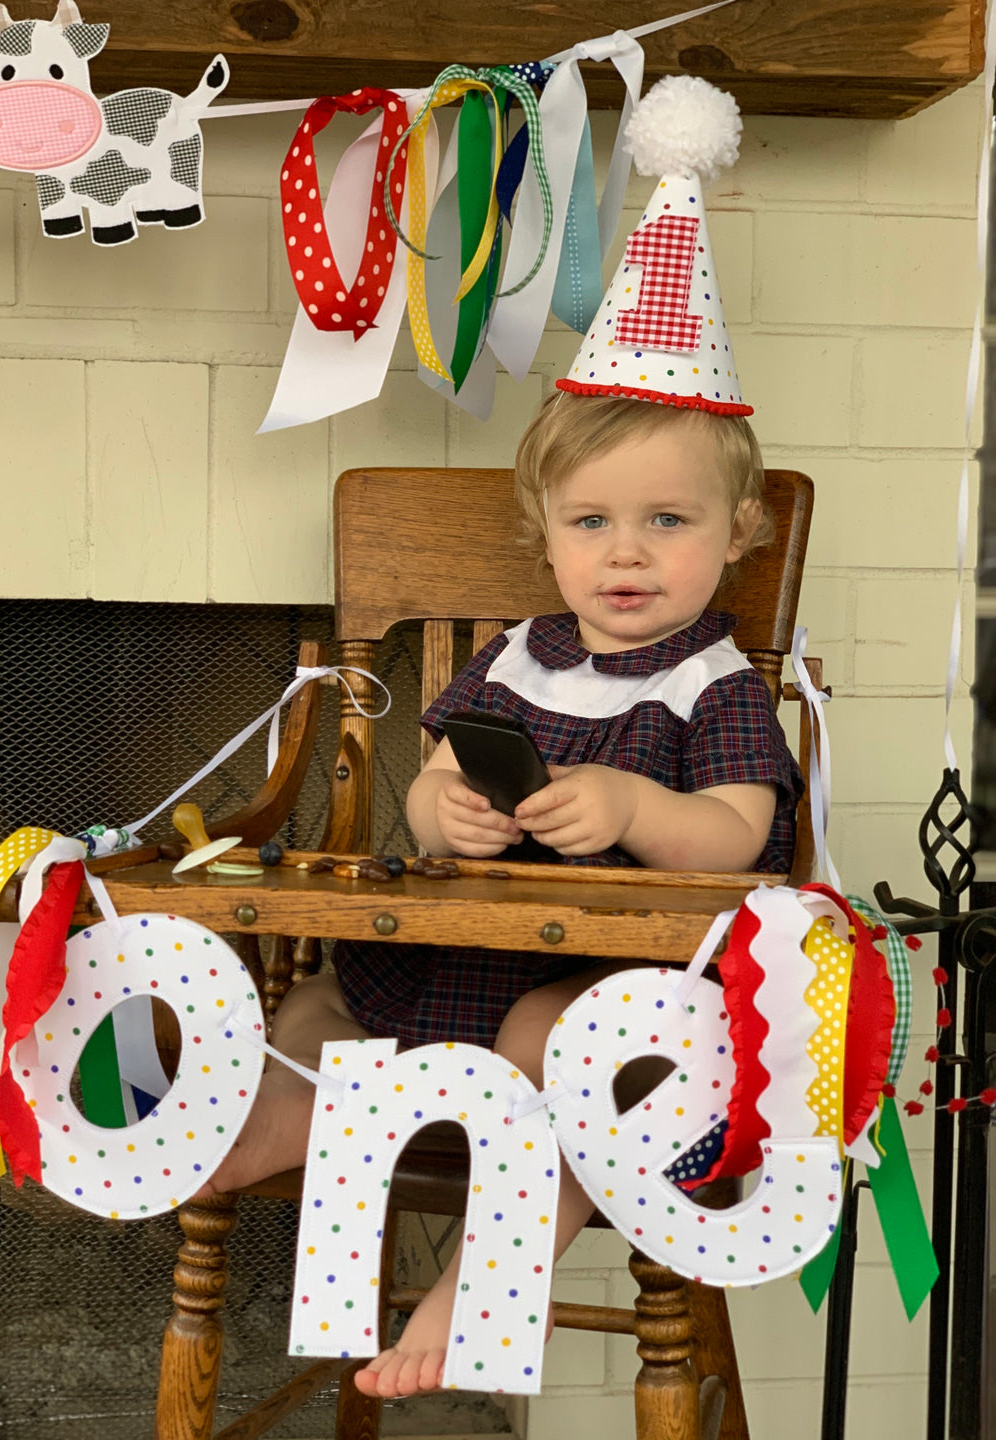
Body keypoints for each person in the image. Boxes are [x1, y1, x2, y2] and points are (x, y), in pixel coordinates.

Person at [198, 389, 804, 1398]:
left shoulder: (717, 683)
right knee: (323, 1000)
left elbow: (743, 838)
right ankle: (282, 1113)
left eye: (668, 520)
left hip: (611, 980)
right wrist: (447, 816)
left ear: (737, 532)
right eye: (591, 521)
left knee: (556, 1045)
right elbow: (437, 780)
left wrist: (634, 806)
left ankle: (482, 1279)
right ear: (547, 534)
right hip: (456, 955)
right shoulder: (518, 656)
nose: (626, 554)